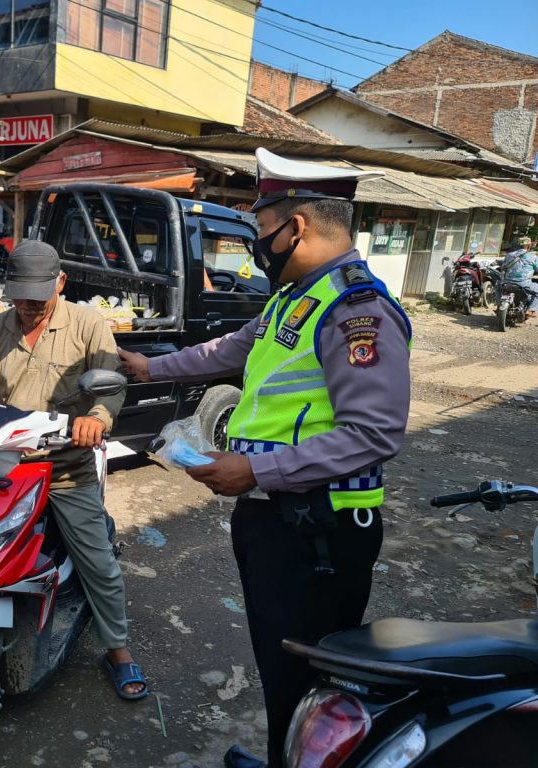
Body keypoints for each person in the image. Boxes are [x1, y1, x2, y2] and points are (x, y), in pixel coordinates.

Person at [119, 148, 412, 768]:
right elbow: (229, 349)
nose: (259, 246)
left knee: (306, 679)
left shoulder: (356, 310)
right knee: (280, 670)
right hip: (274, 518)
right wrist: (150, 365)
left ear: (296, 226)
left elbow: (374, 432)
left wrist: (255, 469)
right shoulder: (294, 297)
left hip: (320, 530)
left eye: (261, 231)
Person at [0, 240, 148, 700]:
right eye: (19, 296)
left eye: (37, 296)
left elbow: (110, 386)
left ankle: (118, 648)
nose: (28, 306)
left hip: (64, 469)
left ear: (60, 282)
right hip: (5, 462)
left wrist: (96, 419)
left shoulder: (88, 325)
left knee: (97, 559)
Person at [500, 235, 538, 318]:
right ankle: (531, 310)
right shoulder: (533, 257)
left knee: (498, 286)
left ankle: (498, 304)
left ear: (517, 245)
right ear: (528, 246)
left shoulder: (509, 255)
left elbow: (502, 267)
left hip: (507, 282)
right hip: (523, 283)